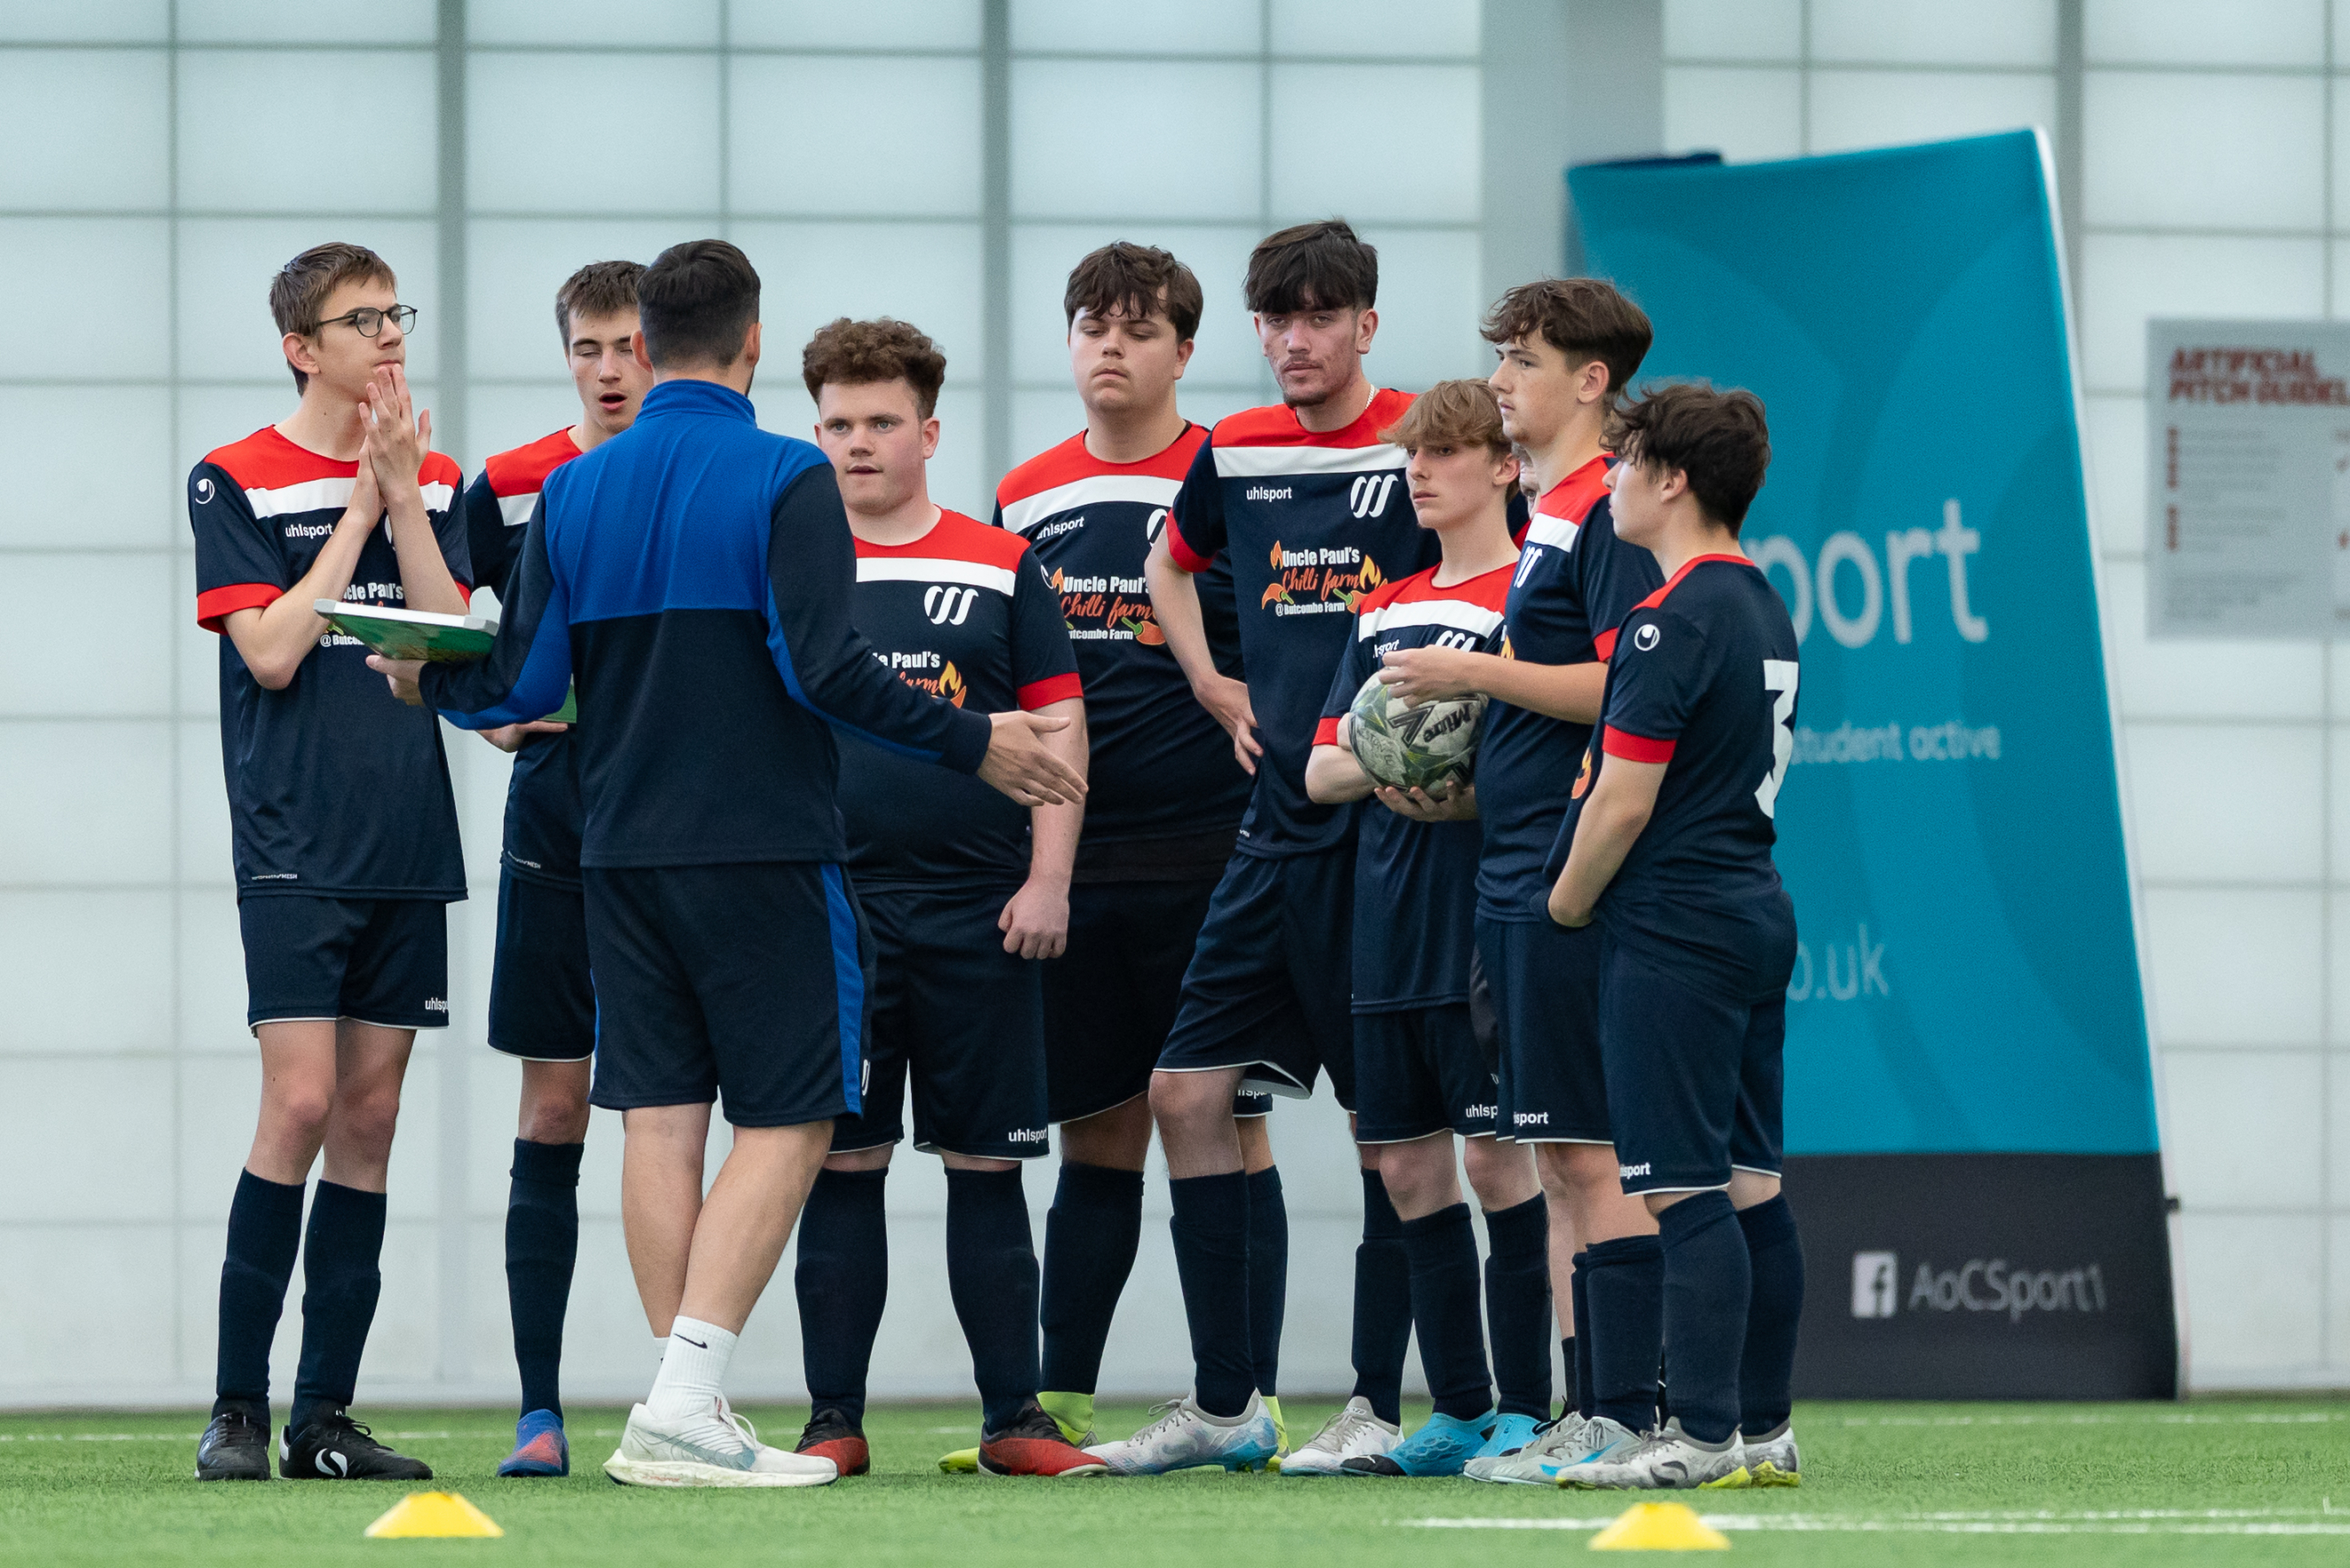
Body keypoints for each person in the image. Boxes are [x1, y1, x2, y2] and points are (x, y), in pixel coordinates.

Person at [383, 240, 1085, 1488]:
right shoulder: (784, 477)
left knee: (662, 1116)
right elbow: (826, 669)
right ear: (754, 344)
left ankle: (678, 1408)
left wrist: (423, 674)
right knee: (798, 1115)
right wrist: (976, 742)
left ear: (644, 347)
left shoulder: (581, 490)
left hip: (617, 857)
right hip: (763, 852)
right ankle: (688, 1400)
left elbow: (525, 686)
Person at [1092, 219, 1439, 1476]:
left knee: (1386, 1133)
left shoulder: (1420, 439)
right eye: (1275, 319)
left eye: (1320, 317)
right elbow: (1164, 565)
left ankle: (1381, 1407)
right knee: (1184, 1093)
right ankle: (1229, 1403)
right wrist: (1211, 686)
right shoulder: (1233, 450)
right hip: (1268, 833)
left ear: (1365, 325)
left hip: (1388, 844)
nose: (1295, 340)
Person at [786, 316, 1104, 1479]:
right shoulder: (792, 568)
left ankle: (1013, 1417)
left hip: (984, 909)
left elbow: (1062, 728)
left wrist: (1048, 877)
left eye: (880, 423)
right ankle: (833, 1422)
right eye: (836, 424)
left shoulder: (1000, 560)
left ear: (929, 431)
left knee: (988, 1164)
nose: (858, 444)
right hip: (836, 913)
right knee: (841, 1163)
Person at [978, 243, 1275, 1462]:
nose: (1110, 346)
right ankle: (1064, 1407)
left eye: (1138, 330)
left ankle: (1241, 1400)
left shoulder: (1231, 480)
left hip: (1217, 853)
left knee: (1229, 1121)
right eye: (1090, 325)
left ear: (1183, 353)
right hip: (1078, 865)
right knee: (1096, 1129)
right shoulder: (1024, 493)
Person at [1376, 279, 1668, 1484]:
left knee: (1591, 1155)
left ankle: (1628, 1411)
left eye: (1523, 357)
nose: (1501, 377)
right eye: (1501, 354)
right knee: (1556, 1155)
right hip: (1506, 871)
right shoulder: (1555, 506)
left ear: (1589, 382)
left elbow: (1621, 689)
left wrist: (1475, 675)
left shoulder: (1604, 506)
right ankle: (1588, 1408)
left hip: (1560, 871)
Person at [190, 242, 469, 1483]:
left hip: (406, 835)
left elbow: (448, 640)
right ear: (304, 346)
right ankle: (237, 1408)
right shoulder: (230, 478)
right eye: (363, 321)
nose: (389, 337)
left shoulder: (441, 475)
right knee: (298, 1103)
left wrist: (407, 497)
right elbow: (269, 653)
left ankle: (323, 1419)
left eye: (395, 314)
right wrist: (357, 504)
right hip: (293, 841)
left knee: (373, 1116)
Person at [1543, 383, 1803, 1491]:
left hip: (1675, 928)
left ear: (1672, 478)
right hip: (1751, 910)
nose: (1607, 479)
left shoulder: (1669, 615)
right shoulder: (1761, 602)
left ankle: (1694, 1436)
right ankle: (1761, 1430)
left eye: (1623, 460)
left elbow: (1621, 800)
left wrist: (1563, 900)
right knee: (1751, 1183)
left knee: (1679, 1186)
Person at [1301, 380, 1550, 1477]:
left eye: (1447, 451)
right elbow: (1317, 770)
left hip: (1486, 919)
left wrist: (1465, 781)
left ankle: (1529, 1409)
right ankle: (1452, 1410)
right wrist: (1402, 765)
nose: (1421, 469)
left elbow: (1542, 760)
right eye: (1414, 452)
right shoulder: (1383, 606)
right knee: (1403, 1168)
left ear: (1503, 466)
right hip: (1386, 919)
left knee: (1500, 1162)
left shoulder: (1531, 599)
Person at [455, 258, 652, 1479]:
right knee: (553, 1104)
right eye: (589, 348)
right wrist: (488, 717)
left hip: (683, 821)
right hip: (558, 817)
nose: (611, 368)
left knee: (682, 1113)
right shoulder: (514, 485)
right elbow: (452, 621)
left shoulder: (697, 476)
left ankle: (691, 1400)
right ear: (565, 354)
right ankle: (540, 1409)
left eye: (630, 345)